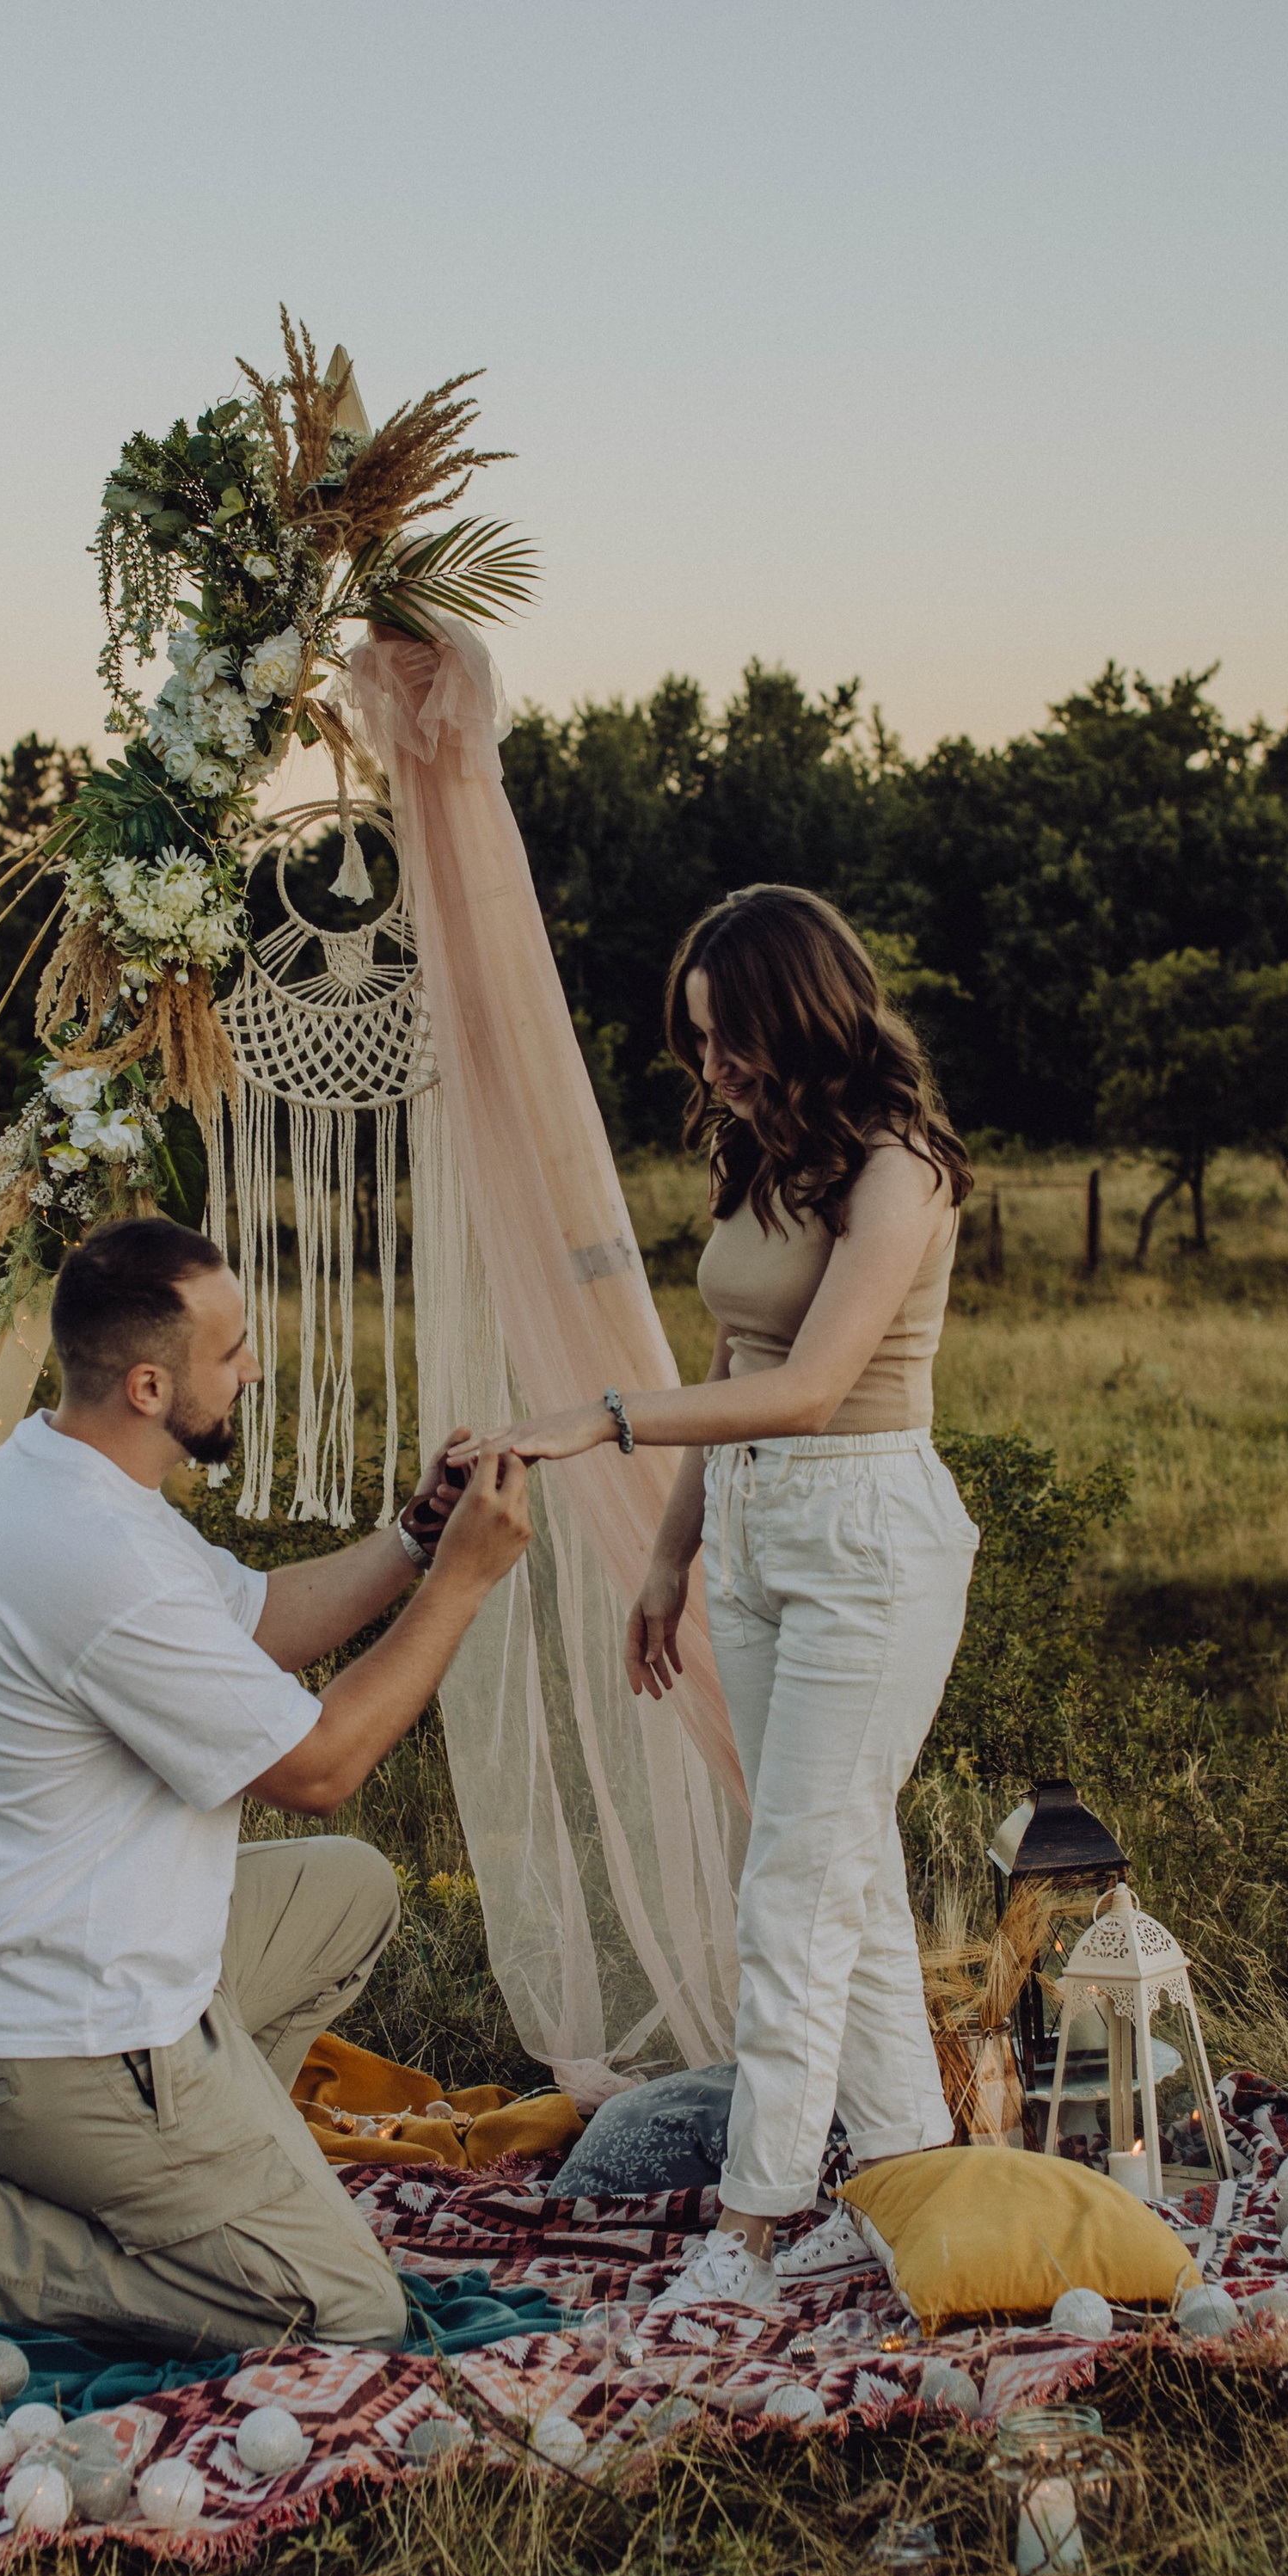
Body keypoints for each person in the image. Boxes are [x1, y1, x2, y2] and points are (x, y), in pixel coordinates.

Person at [0, 1214, 530, 2357]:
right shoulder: (90, 1557)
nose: (255, 1366)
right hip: (61, 2037)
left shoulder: (65, 1476)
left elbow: (259, 1619)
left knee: (349, 1892)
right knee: (351, 2310)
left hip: (56, 1970)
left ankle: (203, 2180)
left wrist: (414, 1540)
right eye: (235, 1349)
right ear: (153, 1386)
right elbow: (319, 1768)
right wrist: (461, 1587)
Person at [453, 884, 978, 2310]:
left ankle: (751, 2228)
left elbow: (810, 1393)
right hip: (750, 1534)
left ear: (801, 1013)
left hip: (867, 1531)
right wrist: (672, 1556)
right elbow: (746, 1368)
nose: (714, 1070)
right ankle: (904, 2185)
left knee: (790, 1890)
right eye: (698, 1045)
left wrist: (594, 1421)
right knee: (843, 1877)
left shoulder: (900, 1171)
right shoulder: (764, 1153)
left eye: (731, 1039)